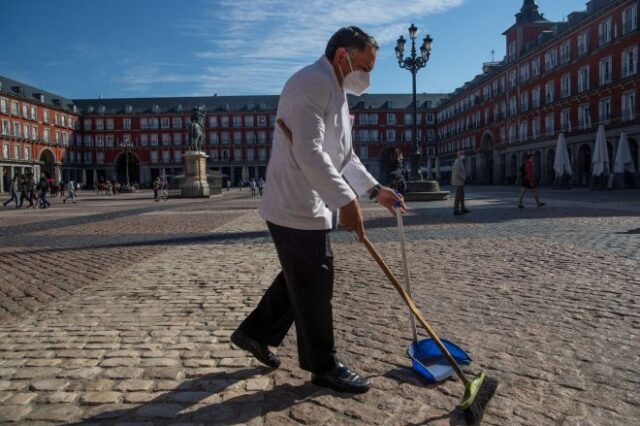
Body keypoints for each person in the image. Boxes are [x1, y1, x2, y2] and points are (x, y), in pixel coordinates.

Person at [231, 26, 405, 395]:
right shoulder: (310, 83)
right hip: (295, 202)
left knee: (302, 276)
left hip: (310, 202)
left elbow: (343, 156)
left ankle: (254, 333)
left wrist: (374, 191)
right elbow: (309, 152)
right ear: (343, 56)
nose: (368, 77)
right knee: (315, 281)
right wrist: (346, 200)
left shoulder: (335, 91)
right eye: (364, 66)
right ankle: (323, 366)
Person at [451, 150, 470, 215]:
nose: (463, 155)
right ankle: (456, 210)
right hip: (458, 181)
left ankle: (463, 208)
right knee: (458, 196)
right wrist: (462, 179)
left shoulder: (460, 161)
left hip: (460, 181)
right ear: (459, 155)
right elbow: (457, 173)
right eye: (462, 154)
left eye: (463, 154)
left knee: (462, 195)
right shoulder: (458, 162)